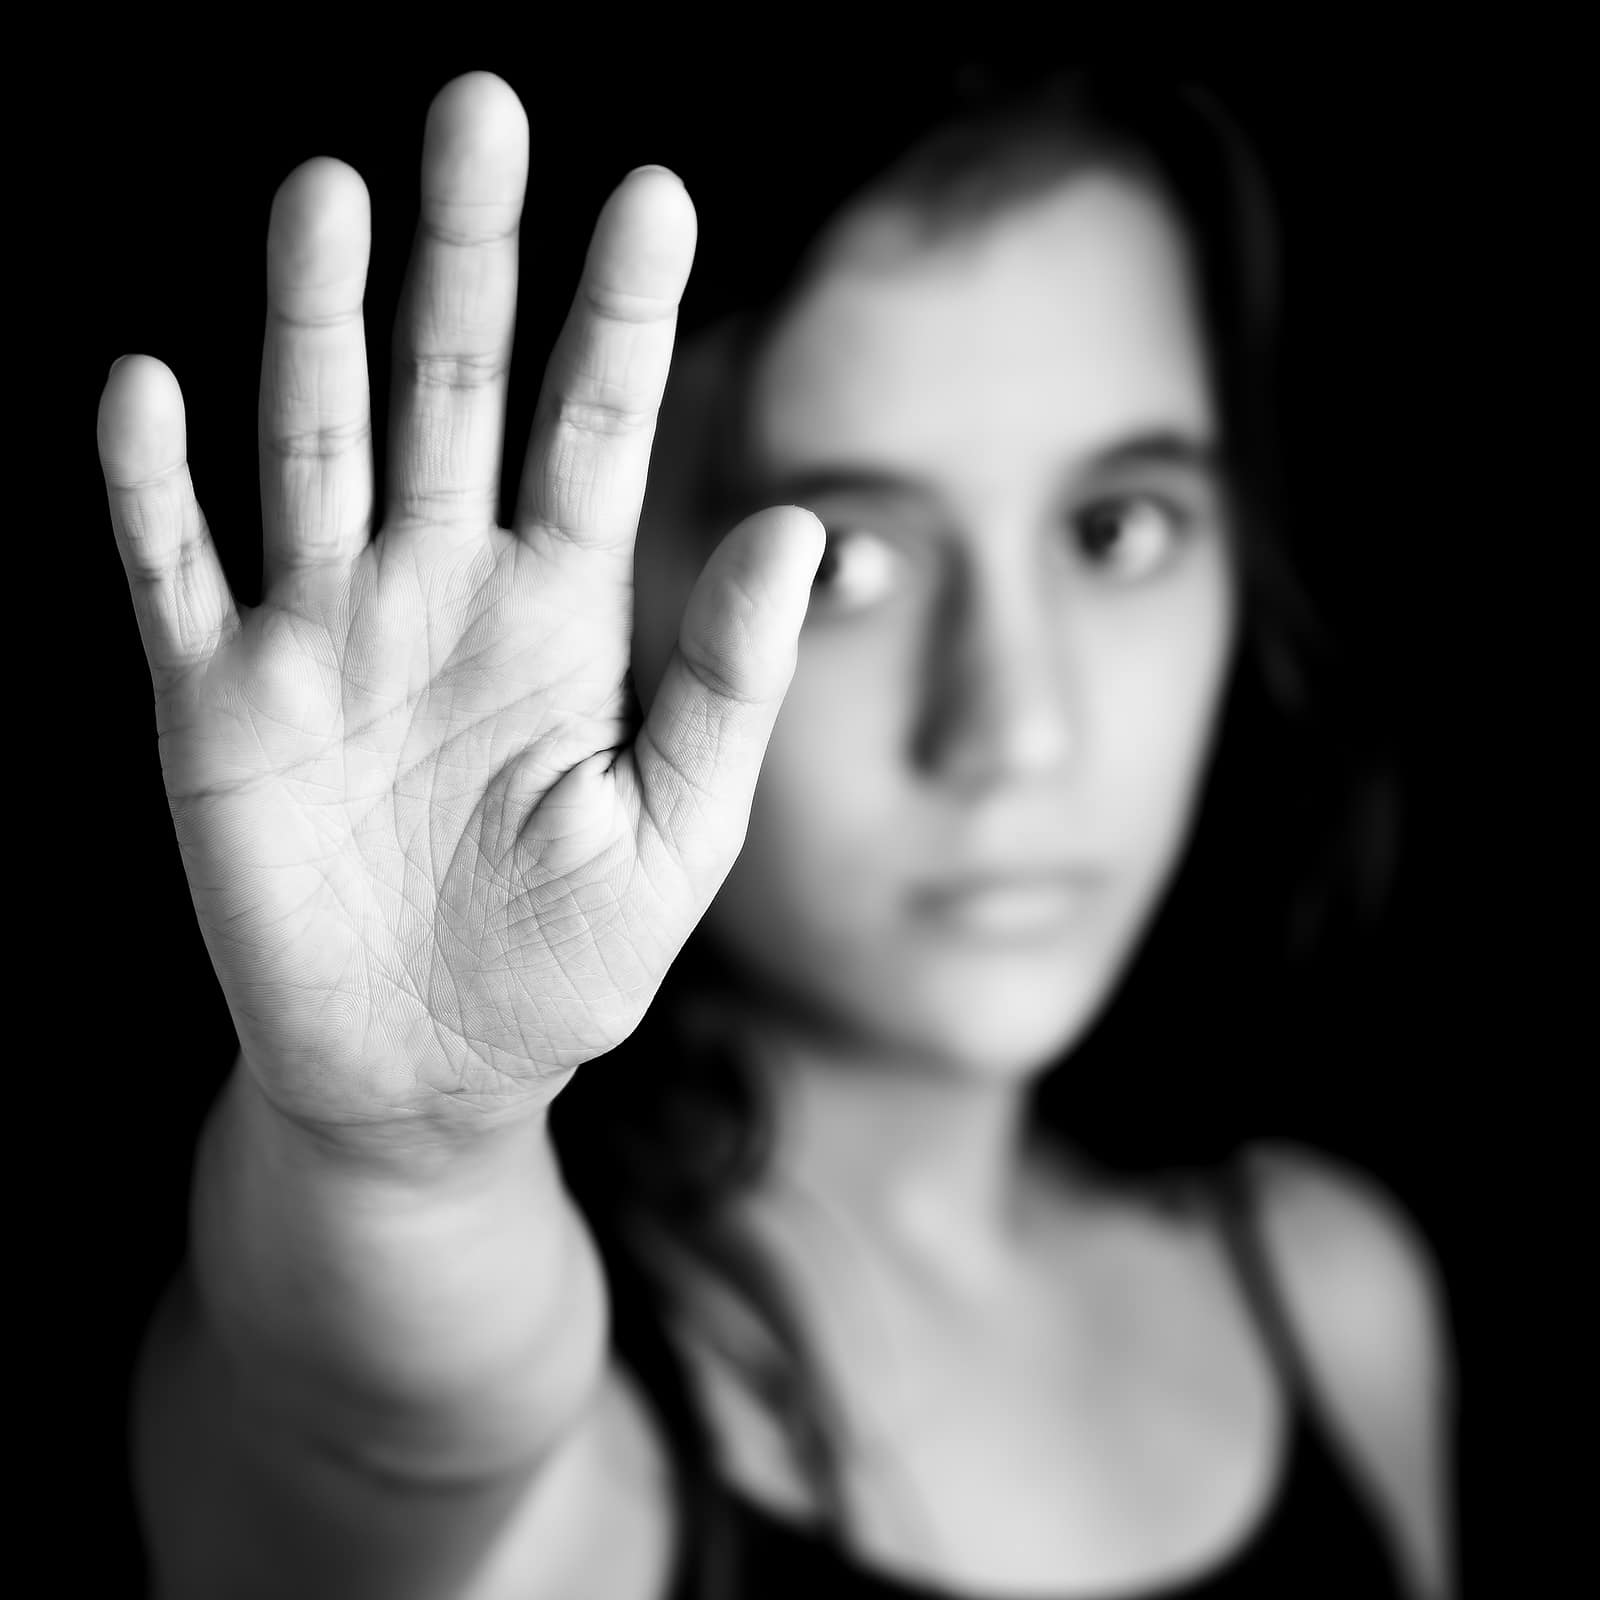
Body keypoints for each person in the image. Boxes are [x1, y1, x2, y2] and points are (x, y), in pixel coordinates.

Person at [98, 64, 1456, 1600]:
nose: (1017, 729)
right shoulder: (569, 1468)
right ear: (600, 576)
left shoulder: (1336, 1303)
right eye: (850, 561)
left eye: (1117, 530)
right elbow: (378, 1448)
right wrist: (404, 1164)